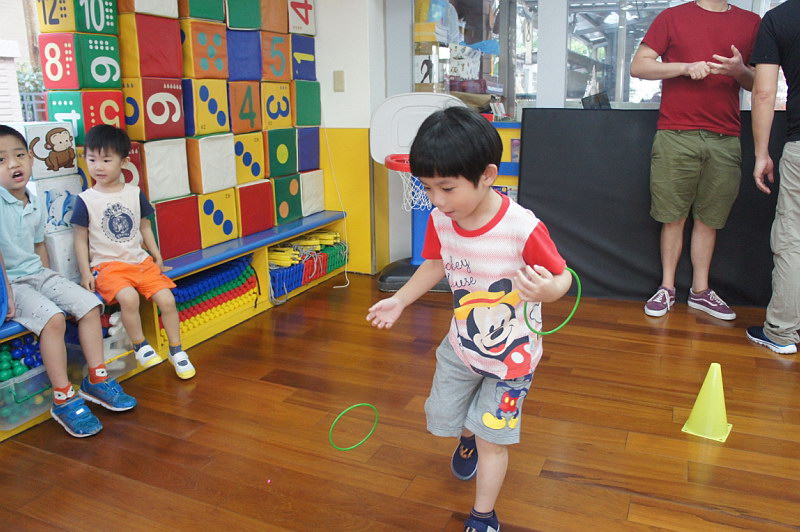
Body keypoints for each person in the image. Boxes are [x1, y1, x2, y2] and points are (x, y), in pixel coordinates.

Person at [366, 107, 571, 532]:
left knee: (493, 439)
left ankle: (483, 515)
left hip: (512, 361)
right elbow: (434, 264)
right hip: (461, 347)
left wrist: (548, 291)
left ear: (488, 175)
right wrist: (400, 300)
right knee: (446, 415)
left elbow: (563, 275)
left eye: (447, 188)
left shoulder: (522, 227)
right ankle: (467, 437)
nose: (437, 201)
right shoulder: (442, 220)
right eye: (427, 188)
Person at [0, 124, 136, 438]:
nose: (13, 164)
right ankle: (63, 397)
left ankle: (97, 378)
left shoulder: (33, 200)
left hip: (36, 274)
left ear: (31, 158)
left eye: (19, 155)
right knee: (54, 319)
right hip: (10, 284)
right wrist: (7, 293)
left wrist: (49, 282)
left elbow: (38, 246)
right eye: (1, 160)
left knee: (90, 305)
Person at [630, 0, 761, 320]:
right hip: (675, 133)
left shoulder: (751, 22)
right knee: (672, 216)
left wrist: (740, 71)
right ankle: (667, 288)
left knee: (709, 219)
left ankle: (700, 292)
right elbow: (639, 66)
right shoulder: (672, 17)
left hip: (725, 137)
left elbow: (761, 83)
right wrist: (684, 67)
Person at [71, 125, 196, 379]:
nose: (98, 167)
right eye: (92, 159)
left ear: (124, 162)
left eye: (106, 160)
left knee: (167, 300)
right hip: (108, 266)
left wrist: (157, 256)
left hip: (140, 262)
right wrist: (85, 272)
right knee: (129, 298)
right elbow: (80, 239)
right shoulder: (85, 199)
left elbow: (144, 226)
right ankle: (140, 346)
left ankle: (176, 350)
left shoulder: (134, 193)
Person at [746, 0, 800, 355]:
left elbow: (764, 92)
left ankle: (781, 332)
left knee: (793, 238)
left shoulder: (780, 17)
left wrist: (761, 154)